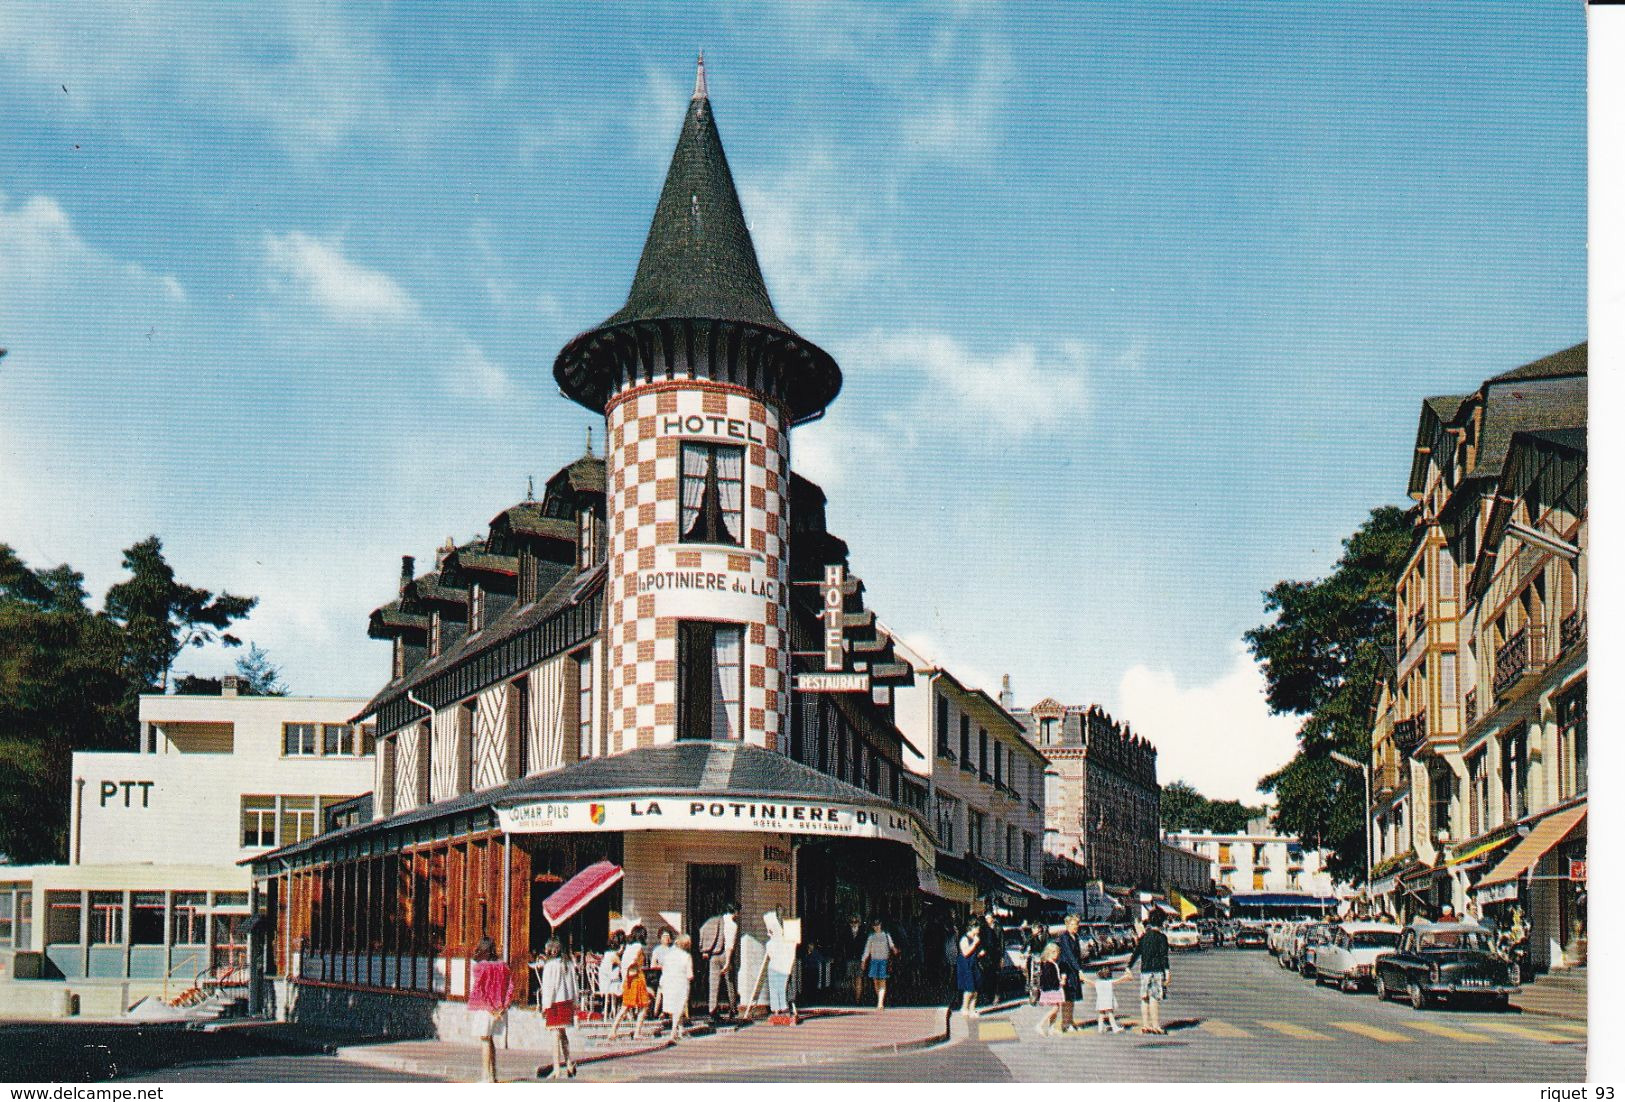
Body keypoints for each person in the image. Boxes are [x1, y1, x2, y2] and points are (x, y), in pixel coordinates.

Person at [466, 936, 512, 1082]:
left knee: (485, 1040)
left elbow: (479, 989)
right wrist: (503, 1006)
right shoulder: (503, 966)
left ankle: (486, 1077)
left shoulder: (479, 967)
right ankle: (493, 1075)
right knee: (490, 1040)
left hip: (485, 1009)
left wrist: (489, 1007)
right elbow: (510, 987)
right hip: (499, 1008)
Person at [535, 938, 577, 1079]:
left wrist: (545, 1006)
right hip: (567, 1001)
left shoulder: (550, 966)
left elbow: (548, 988)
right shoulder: (568, 963)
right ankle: (569, 1063)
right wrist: (574, 1003)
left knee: (554, 1035)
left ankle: (557, 1068)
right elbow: (574, 985)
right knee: (563, 1034)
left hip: (554, 1003)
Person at [1126, 910, 1170, 1035]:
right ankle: (1156, 1026)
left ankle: (1145, 1025)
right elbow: (1164, 957)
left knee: (1144, 998)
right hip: (1157, 971)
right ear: (1161, 922)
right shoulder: (1162, 938)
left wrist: (1129, 966)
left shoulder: (1144, 937)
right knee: (1154, 998)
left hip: (1145, 971)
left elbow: (1136, 952)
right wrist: (1167, 973)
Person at [697, 903, 739, 1017]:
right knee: (729, 982)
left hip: (713, 954)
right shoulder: (732, 925)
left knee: (713, 983)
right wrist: (728, 962)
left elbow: (703, 930)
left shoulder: (713, 920)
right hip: (725, 954)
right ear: (735, 912)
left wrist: (705, 949)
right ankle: (733, 1008)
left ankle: (712, 1010)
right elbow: (730, 945)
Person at [609, 924, 650, 1041]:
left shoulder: (628, 948)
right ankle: (637, 1032)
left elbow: (624, 965)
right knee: (644, 1006)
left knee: (625, 1006)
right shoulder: (638, 948)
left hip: (628, 979)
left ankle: (613, 1030)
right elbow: (632, 963)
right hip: (636, 978)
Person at [1055, 913, 1087, 1033]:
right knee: (1067, 998)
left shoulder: (1076, 937)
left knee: (1072, 998)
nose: (1076, 926)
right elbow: (1069, 955)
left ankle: (1070, 1020)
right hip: (1067, 971)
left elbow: (1078, 955)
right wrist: (1079, 970)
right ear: (1067, 925)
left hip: (1073, 971)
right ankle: (1065, 1023)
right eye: (1073, 924)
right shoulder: (1064, 937)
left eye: (1077, 924)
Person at [661, 932, 696, 1039]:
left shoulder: (668, 955)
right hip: (681, 983)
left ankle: (680, 1029)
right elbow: (690, 975)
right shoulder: (686, 956)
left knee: (672, 1007)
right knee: (679, 1008)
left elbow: (664, 969)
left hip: (668, 982)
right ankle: (673, 1031)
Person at [860, 918, 898, 1010]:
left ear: (881, 925)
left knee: (882, 981)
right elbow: (867, 949)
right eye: (875, 925)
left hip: (883, 961)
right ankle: (879, 999)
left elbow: (892, 945)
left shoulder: (886, 935)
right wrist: (863, 960)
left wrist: (895, 951)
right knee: (875, 982)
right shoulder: (871, 937)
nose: (876, 927)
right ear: (873, 927)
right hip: (874, 961)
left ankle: (880, 1003)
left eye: (878, 925)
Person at [763, 911, 796, 1017]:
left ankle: (777, 1010)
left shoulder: (770, 943)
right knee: (781, 988)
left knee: (775, 989)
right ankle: (783, 1008)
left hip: (775, 967)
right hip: (782, 968)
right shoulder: (784, 941)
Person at [1034, 942, 1064, 1036]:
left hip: (1055, 988)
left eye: (1057, 952)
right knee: (1055, 1009)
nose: (1057, 954)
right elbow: (1048, 979)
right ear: (1049, 953)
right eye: (1054, 952)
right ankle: (1039, 1025)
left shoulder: (1052, 963)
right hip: (1051, 989)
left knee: (1057, 1008)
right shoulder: (1047, 965)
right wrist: (1059, 982)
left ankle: (1051, 1028)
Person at [976, 913, 1004, 1009]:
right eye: (986, 918)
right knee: (987, 975)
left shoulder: (998, 928)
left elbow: (1001, 943)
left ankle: (995, 995)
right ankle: (988, 996)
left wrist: (1002, 957)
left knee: (996, 976)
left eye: (989, 918)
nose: (988, 920)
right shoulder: (984, 928)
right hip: (986, 957)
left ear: (992, 918)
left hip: (995, 955)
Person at [1092, 965, 1131, 1033]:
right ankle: (1114, 1027)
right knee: (1110, 1013)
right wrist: (1126, 975)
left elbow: (1090, 982)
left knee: (1101, 1014)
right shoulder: (1110, 982)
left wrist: (1083, 978)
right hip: (1108, 1000)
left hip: (1100, 1001)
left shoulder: (1097, 983)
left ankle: (1100, 1028)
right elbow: (1120, 980)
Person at [955, 921, 981, 1016]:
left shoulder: (976, 938)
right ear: (972, 928)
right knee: (969, 988)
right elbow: (965, 953)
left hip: (974, 964)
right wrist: (974, 943)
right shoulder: (964, 939)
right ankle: (964, 1007)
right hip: (966, 965)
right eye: (977, 928)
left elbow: (974, 952)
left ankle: (972, 1009)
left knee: (975, 989)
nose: (979, 930)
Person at [598, 929, 624, 1019]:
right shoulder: (614, 956)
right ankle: (625, 1013)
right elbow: (624, 967)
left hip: (605, 984)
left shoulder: (607, 954)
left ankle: (616, 1011)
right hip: (611, 986)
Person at [646, 926, 674, 1007]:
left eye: (668, 936)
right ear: (660, 938)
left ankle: (663, 1010)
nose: (667, 938)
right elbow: (653, 965)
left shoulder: (674, 949)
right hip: (660, 975)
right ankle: (659, 1010)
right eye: (664, 936)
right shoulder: (657, 950)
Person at [844, 915, 866, 1003]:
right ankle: (851, 996)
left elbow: (865, 947)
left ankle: (857, 999)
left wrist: (864, 960)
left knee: (859, 978)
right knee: (850, 978)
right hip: (849, 958)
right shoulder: (846, 933)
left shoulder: (863, 933)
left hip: (859, 959)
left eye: (856, 922)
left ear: (859, 923)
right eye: (852, 922)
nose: (854, 924)